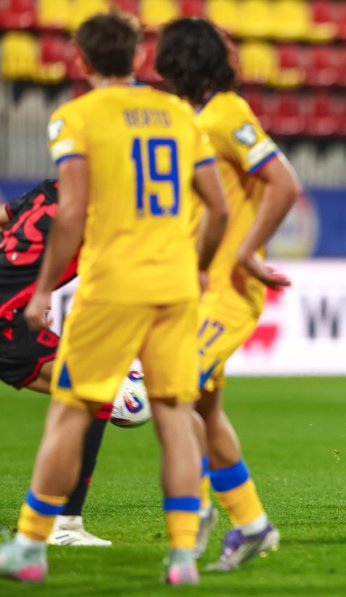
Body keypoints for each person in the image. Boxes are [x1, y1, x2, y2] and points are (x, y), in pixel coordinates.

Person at [0, 11, 228, 585]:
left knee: (75, 409)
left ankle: (31, 543)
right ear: (138, 57)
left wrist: (45, 288)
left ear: (82, 60)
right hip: (174, 281)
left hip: (113, 283)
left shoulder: (76, 117)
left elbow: (73, 211)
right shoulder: (178, 115)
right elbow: (219, 208)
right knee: (173, 415)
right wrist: (198, 269)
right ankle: (182, 556)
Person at [155, 17, 301, 570]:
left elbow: (284, 184)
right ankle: (252, 525)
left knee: (173, 397)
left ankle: (193, 515)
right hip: (192, 287)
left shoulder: (228, 114)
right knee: (207, 412)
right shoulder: (193, 119)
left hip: (226, 292)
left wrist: (246, 250)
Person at [0, 179, 113, 547]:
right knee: (90, 393)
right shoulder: (96, 210)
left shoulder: (48, 190)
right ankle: (63, 521)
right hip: (7, 322)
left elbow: (3, 217)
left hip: (11, 315)